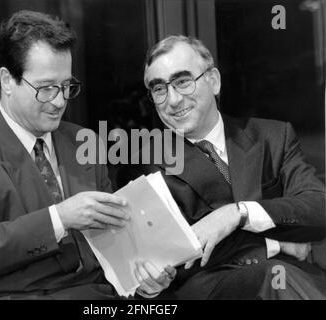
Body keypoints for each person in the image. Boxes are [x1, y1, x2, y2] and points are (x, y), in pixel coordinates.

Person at [0, 10, 174, 300]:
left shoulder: (82, 142)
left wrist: (141, 278)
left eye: (66, 86)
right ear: (8, 80)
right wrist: (59, 218)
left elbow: (111, 244)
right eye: (47, 88)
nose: (60, 101)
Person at [118, 35, 326, 299]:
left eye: (183, 82)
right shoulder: (143, 165)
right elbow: (179, 262)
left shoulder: (273, 136)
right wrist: (275, 243)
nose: (172, 100)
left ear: (213, 81)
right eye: (159, 89)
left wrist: (236, 213)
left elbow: (318, 208)